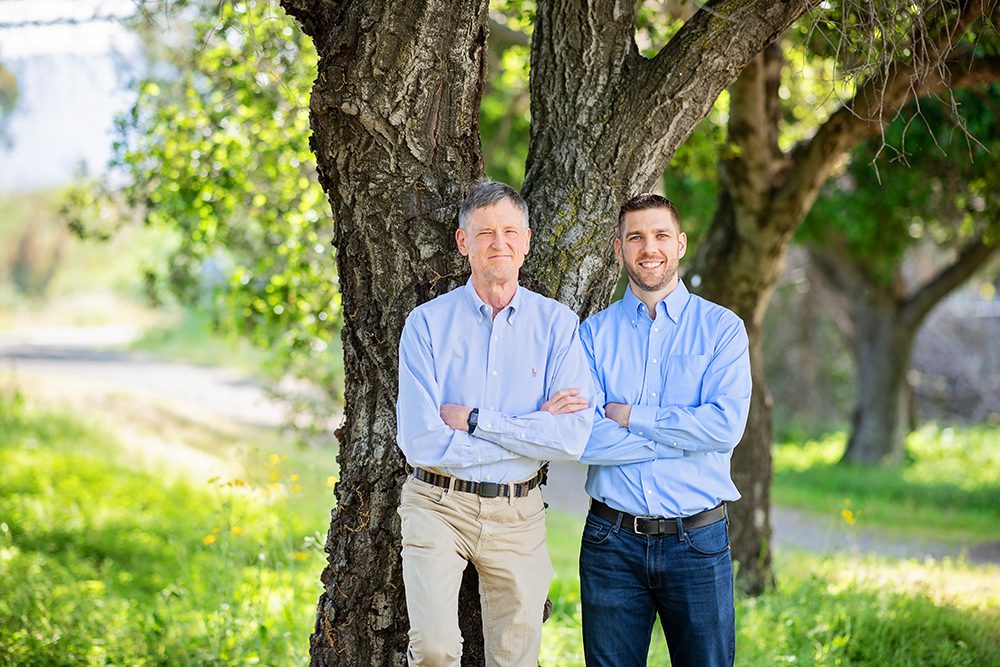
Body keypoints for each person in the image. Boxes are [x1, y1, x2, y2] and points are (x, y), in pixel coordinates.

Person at [395, 181, 595, 666]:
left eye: (509, 231)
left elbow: (572, 437)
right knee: (435, 653)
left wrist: (478, 421)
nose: (498, 243)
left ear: (526, 241)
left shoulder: (558, 325)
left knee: (516, 659)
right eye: (484, 233)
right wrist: (529, 431)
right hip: (437, 503)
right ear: (464, 243)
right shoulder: (426, 324)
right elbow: (422, 442)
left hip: (518, 513)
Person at [577, 193, 752, 667]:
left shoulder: (722, 330)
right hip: (611, 543)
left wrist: (633, 416)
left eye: (659, 236)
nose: (648, 247)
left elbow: (725, 428)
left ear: (680, 243)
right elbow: (583, 436)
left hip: (697, 542)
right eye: (635, 237)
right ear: (619, 249)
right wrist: (684, 440)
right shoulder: (592, 335)